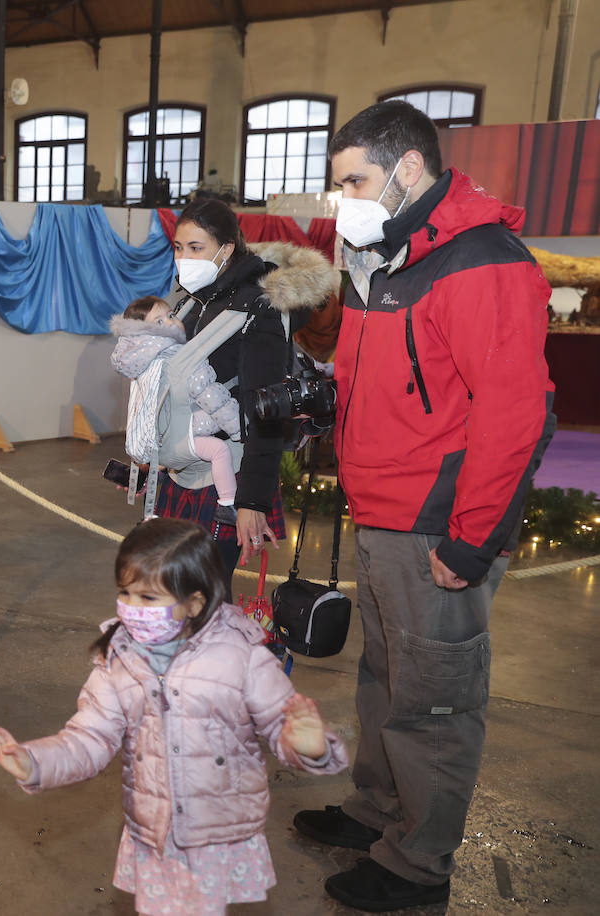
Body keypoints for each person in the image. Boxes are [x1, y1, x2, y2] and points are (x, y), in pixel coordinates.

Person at [292, 100, 554, 911]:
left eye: (354, 181)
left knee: (435, 701)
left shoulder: (481, 261)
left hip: (439, 525)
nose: (343, 201)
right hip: (381, 512)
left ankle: (418, 866)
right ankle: (379, 813)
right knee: (385, 679)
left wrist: (473, 539)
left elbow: (519, 412)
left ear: (408, 169)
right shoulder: (386, 255)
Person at [0, 518, 347, 916]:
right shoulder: (118, 657)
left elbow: (280, 724)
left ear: (195, 601)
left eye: (148, 598)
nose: (132, 609)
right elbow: (89, 737)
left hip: (216, 833)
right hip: (154, 831)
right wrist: (35, 763)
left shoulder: (242, 657)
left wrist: (308, 746)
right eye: (125, 593)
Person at [153, 198, 339, 591]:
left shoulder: (260, 305)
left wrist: (252, 501)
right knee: (172, 596)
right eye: (178, 247)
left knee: (202, 599)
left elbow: (267, 407)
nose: (184, 258)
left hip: (229, 477)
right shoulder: (190, 299)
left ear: (227, 249)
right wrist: (146, 458)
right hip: (182, 466)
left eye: (196, 248)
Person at [110, 295, 242, 526]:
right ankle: (227, 504)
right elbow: (213, 399)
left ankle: (150, 513)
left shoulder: (139, 364)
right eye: (159, 322)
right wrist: (239, 429)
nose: (171, 322)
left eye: (171, 315)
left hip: (155, 445)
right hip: (179, 440)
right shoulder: (186, 359)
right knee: (220, 450)